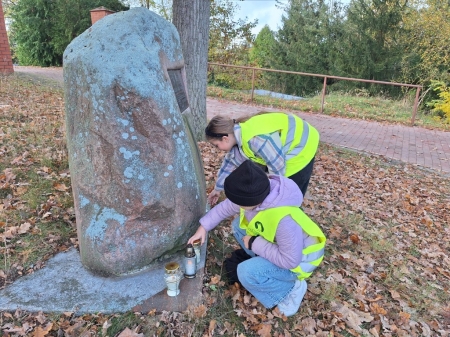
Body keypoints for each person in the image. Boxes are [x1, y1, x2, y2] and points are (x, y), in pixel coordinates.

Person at [188, 160, 326, 317]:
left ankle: (291, 289)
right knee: (238, 226)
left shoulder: (284, 221)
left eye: (238, 202)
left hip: (299, 263)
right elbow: (225, 208)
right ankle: (263, 264)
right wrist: (203, 227)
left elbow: (290, 260)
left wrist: (255, 244)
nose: (234, 204)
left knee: (246, 272)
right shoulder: (259, 192)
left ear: (251, 202)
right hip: (284, 249)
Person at [205, 112, 319, 205]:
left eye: (216, 145)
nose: (218, 149)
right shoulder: (237, 137)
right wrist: (217, 189)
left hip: (303, 144)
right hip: (285, 147)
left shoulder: (255, 140)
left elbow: (278, 169)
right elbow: (228, 163)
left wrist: (272, 195)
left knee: (288, 192)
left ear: (225, 138)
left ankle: (289, 220)